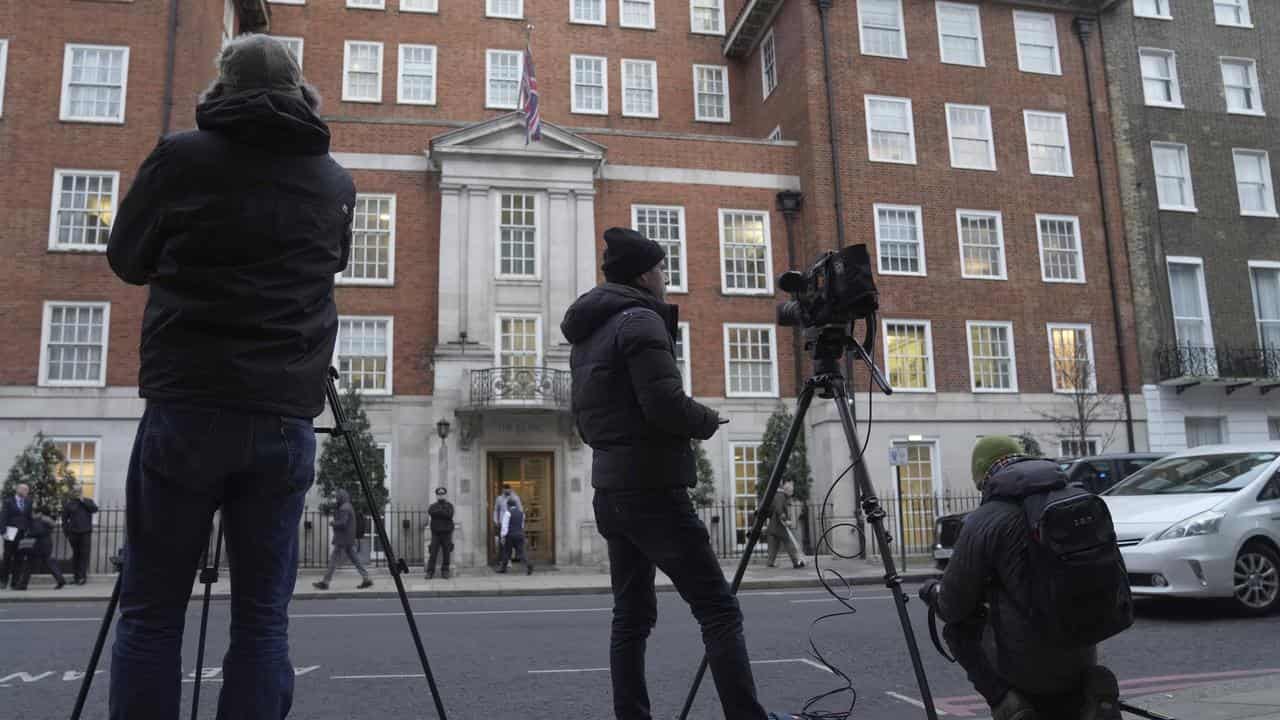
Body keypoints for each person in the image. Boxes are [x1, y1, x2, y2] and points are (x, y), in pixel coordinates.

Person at [104, 34, 354, 719]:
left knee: (153, 612)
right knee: (264, 619)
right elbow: (328, 266)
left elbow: (126, 258)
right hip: (282, 414)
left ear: (222, 86)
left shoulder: (182, 156)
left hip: (189, 402)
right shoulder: (333, 179)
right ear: (303, 90)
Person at [561, 227, 788, 720]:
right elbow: (663, 405)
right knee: (718, 609)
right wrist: (706, 420)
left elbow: (587, 419)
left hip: (611, 490)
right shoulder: (640, 320)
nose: (665, 277)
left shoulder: (590, 334)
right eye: (662, 268)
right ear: (645, 273)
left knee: (631, 616)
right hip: (653, 488)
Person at [918, 436, 1122, 720]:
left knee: (958, 629)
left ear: (983, 476)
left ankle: (1008, 703)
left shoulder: (986, 519)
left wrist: (931, 592)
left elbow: (954, 605)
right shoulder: (1076, 497)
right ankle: (1092, 687)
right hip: (1083, 647)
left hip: (1025, 666)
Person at [313, 489, 374, 591]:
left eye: (337, 497)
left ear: (341, 497)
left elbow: (343, 523)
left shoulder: (344, 508)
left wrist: (333, 523)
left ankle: (325, 582)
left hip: (343, 538)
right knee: (355, 559)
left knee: (334, 559)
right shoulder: (348, 506)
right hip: (347, 538)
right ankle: (366, 578)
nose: (336, 499)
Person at [11, 512, 65, 590]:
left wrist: (27, 533)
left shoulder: (34, 520)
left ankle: (22, 584)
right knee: (48, 562)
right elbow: (51, 527)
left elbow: (35, 531)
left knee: (29, 564)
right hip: (47, 542)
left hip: (37, 544)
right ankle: (60, 579)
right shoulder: (46, 519)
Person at [0, 483, 34, 590]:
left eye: (27, 490)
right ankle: (3, 581)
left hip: (22, 533)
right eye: (23, 489)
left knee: (19, 558)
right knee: (7, 557)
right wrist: (3, 531)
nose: (25, 491)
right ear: (18, 489)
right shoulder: (8, 501)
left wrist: (30, 531)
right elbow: (3, 517)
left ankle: (15, 582)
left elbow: (29, 518)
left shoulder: (28, 502)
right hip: (10, 531)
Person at [62, 488, 99, 585]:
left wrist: (83, 501)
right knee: (76, 555)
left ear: (82, 493)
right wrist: (67, 533)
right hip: (73, 533)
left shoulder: (88, 501)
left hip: (85, 532)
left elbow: (94, 509)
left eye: (79, 492)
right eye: (75, 492)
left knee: (84, 554)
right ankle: (76, 577)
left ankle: (82, 577)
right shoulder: (69, 504)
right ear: (73, 493)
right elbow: (64, 520)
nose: (77, 494)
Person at [766, 480, 805, 569]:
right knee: (789, 544)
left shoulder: (780, 496)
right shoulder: (780, 496)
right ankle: (796, 562)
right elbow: (779, 509)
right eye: (792, 491)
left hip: (774, 526)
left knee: (774, 546)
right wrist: (785, 520)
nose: (792, 492)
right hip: (780, 525)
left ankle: (770, 562)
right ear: (787, 490)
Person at [425, 487, 454, 580]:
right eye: (439, 494)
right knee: (433, 553)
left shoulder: (449, 505)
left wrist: (439, 513)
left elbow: (449, 514)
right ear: (437, 495)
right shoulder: (433, 506)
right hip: (436, 533)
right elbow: (431, 512)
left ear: (445, 494)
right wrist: (443, 512)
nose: (441, 495)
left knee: (446, 553)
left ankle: (445, 571)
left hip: (446, 533)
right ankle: (430, 572)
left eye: (442, 493)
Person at [491, 485, 523, 561]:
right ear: (503, 490)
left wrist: (520, 522)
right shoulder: (499, 498)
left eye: (508, 489)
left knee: (513, 541)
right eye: (505, 489)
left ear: (510, 489)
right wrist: (496, 520)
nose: (507, 491)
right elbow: (495, 510)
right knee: (503, 542)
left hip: (512, 523)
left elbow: (520, 509)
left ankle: (514, 558)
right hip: (502, 523)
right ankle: (503, 560)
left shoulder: (515, 498)